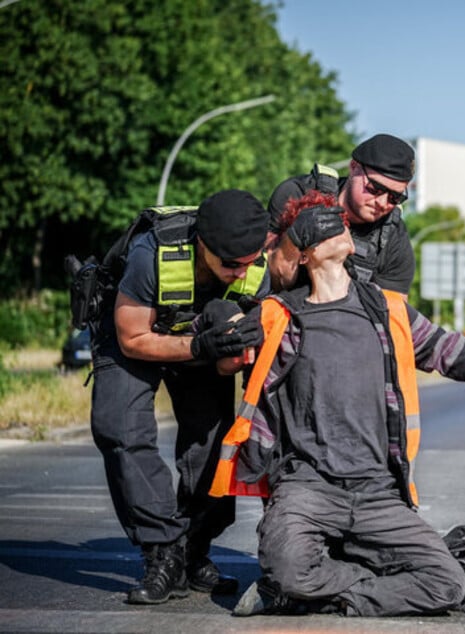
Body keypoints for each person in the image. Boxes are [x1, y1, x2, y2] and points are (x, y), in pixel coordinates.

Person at [211, 191, 465, 617]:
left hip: (378, 493)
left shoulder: (390, 313)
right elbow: (224, 352)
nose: (337, 223)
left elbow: (464, 356)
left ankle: (324, 594)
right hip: (307, 490)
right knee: (287, 570)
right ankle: (303, 587)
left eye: (340, 221)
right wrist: (217, 326)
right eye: (320, 222)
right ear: (305, 253)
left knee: (446, 583)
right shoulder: (277, 317)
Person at [89, 189, 270, 604]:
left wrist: (231, 351)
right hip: (135, 334)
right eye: (230, 264)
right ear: (202, 244)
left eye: (249, 262)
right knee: (118, 428)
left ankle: (192, 550)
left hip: (201, 335)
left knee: (213, 442)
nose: (241, 274)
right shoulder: (150, 255)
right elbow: (133, 338)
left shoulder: (255, 266)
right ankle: (162, 551)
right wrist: (199, 348)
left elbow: (231, 365)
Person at [266, 133, 416, 294]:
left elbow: (393, 311)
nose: (382, 202)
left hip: (350, 317)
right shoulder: (298, 194)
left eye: (395, 197)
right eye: (375, 189)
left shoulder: (394, 235)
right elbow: (273, 280)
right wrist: (294, 240)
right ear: (353, 167)